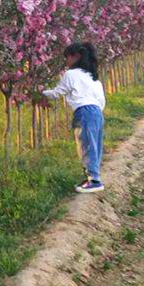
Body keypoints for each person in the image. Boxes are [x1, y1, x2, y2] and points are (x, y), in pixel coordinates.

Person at [41, 41, 106, 192]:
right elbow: (101, 99)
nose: (66, 61)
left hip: (84, 112)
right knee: (94, 145)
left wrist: (42, 92)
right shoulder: (92, 77)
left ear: (76, 57)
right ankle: (91, 177)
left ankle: (95, 181)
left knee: (85, 146)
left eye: (68, 58)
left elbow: (58, 93)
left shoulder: (71, 74)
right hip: (97, 112)